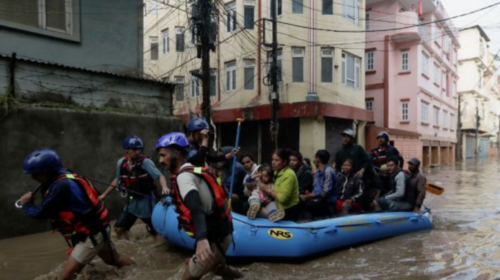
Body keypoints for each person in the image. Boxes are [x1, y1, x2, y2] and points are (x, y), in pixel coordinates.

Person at [18, 149, 133, 280]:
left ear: (47, 171)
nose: (33, 177)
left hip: (92, 233)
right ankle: (138, 269)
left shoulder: (61, 186)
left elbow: (40, 213)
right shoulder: (65, 175)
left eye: (35, 174)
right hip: (98, 228)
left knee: (66, 276)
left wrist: (26, 204)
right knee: (114, 260)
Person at [156, 132, 243, 280]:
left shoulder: (183, 177)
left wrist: (202, 240)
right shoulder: (193, 165)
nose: (160, 160)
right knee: (218, 268)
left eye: (163, 155)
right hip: (222, 233)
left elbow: (196, 208)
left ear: (176, 153)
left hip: (213, 238)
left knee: (187, 278)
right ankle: (242, 277)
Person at [99, 135, 168, 241]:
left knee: (156, 231)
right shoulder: (121, 163)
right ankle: (130, 245)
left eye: (139, 149)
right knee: (119, 228)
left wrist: (164, 187)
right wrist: (104, 195)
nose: (137, 152)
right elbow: (117, 180)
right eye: (134, 149)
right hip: (132, 202)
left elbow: (160, 176)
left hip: (147, 202)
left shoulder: (146, 162)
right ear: (127, 149)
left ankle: (159, 246)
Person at [259, 149, 301, 221]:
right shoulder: (277, 171)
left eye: (277, 160)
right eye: (272, 160)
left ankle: (274, 216)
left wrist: (267, 189)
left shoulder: (288, 174)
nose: (273, 163)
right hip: (277, 204)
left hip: (288, 210)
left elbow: (283, 198)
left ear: (284, 162)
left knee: (257, 210)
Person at [300, 150, 337, 218]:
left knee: (308, 205)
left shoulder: (328, 171)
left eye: (315, 158)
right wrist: (308, 195)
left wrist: (311, 196)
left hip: (327, 201)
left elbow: (325, 193)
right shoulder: (317, 172)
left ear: (318, 159)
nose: (314, 161)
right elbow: (315, 189)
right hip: (317, 198)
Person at [219, 146, 247, 214]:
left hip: (241, 196)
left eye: (222, 156)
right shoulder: (227, 167)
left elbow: (228, 185)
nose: (220, 159)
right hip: (231, 193)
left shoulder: (236, 167)